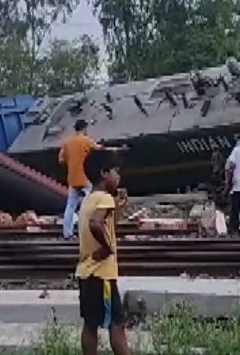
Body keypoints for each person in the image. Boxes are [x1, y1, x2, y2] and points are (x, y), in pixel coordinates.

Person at [76, 149, 132, 355]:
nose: (119, 176)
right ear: (103, 173)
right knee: (117, 324)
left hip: (85, 272)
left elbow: (106, 226)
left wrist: (118, 209)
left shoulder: (89, 200)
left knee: (90, 324)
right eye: (115, 171)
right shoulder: (105, 198)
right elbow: (96, 225)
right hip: (102, 275)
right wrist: (107, 249)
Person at [58, 119, 124, 239]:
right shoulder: (86, 140)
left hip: (72, 178)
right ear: (84, 128)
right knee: (91, 204)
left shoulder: (67, 142)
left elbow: (61, 160)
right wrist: (115, 149)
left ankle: (67, 233)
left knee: (70, 206)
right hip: (84, 177)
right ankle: (88, 230)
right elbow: (100, 150)